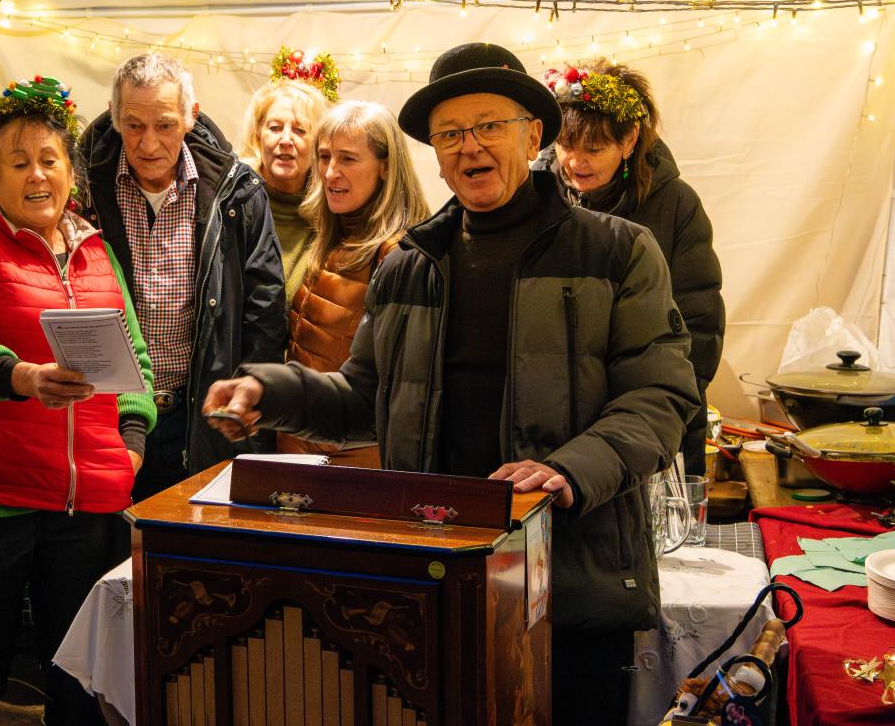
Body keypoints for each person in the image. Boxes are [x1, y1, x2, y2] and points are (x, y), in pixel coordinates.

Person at [203, 43, 700, 726]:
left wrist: (568, 469)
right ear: (435, 155)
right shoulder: (410, 264)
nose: (470, 146)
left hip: (570, 582)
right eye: (450, 133)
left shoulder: (616, 251)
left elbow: (660, 397)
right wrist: (272, 392)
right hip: (434, 578)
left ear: (533, 134)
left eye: (489, 125)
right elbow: (364, 399)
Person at [0, 76, 159, 726]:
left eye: (49, 159)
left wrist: (132, 445)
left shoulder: (98, 254)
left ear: (71, 172)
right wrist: (24, 376)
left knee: (80, 684)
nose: (36, 175)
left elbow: (136, 364)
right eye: (18, 162)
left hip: (87, 502)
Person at [80, 53, 286, 502]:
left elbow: (265, 310)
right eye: (133, 125)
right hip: (105, 417)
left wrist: (245, 398)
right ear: (114, 116)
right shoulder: (84, 189)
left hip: (198, 414)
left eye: (165, 125)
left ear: (191, 116)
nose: (148, 143)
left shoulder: (237, 191)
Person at [533, 61, 725, 476]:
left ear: (629, 139)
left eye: (594, 149)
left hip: (651, 422)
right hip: (552, 425)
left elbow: (700, 321)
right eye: (566, 145)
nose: (576, 162)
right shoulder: (534, 197)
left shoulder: (674, 204)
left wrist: (666, 408)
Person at [281, 100, 430, 466]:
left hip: (351, 463)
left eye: (348, 159)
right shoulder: (333, 237)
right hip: (298, 449)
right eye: (324, 156)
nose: (330, 172)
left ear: (385, 167)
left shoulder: (399, 254)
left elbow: (400, 389)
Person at [239, 79, 331, 304]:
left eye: (300, 130)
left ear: (318, 144)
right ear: (258, 135)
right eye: (275, 128)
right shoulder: (233, 200)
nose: (286, 140)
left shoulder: (331, 210)